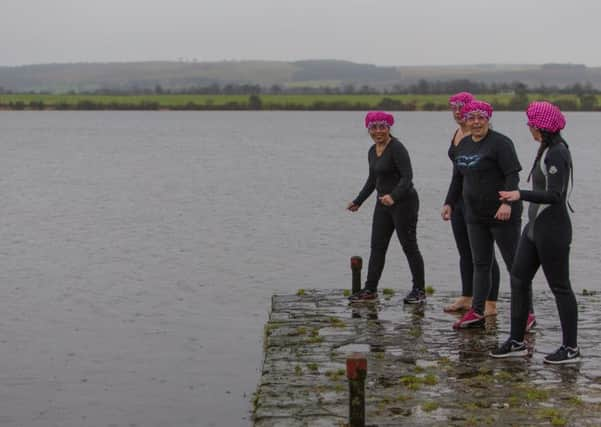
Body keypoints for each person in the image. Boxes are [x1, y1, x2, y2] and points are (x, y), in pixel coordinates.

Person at [490, 101, 579, 364]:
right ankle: (516, 341)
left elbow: (555, 195)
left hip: (553, 229)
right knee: (518, 279)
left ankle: (571, 348)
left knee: (560, 287)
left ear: (541, 126)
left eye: (530, 123)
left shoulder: (557, 153)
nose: (529, 127)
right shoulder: (546, 148)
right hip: (534, 229)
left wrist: (519, 194)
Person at [442, 100, 530, 329]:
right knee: (481, 263)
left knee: (515, 265)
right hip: (474, 214)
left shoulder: (500, 143)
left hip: (502, 214)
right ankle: (477, 311)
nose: (476, 122)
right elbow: (458, 178)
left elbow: (512, 175)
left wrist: (506, 203)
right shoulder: (463, 145)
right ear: (466, 120)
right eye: (472, 118)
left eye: (481, 117)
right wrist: (449, 202)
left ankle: (528, 312)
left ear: (488, 119)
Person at [347, 111, 426, 304]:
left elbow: (408, 177)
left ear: (389, 128)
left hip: (404, 203)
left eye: (382, 127)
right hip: (383, 204)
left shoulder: (397, 148)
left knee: (409, 245)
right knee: (377, 246)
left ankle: (419, 290)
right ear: (368, 130)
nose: (378, 131)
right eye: (373, 128)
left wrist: (394, 196)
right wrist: (358, 201)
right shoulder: (372, 151)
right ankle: (370, 289)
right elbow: (373, 180)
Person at [443, 92, 501, 316]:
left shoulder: (482, 136)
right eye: (454, 107)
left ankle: (490, 301)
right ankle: (467, 295)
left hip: (480, 200)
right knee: (465, 251)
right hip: (460, 199)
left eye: (462, 108)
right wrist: (449, 201)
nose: (458, 112)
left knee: (485, 254)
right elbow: (456, 173)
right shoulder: (458, 133)